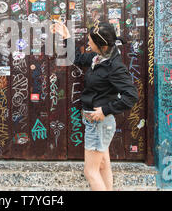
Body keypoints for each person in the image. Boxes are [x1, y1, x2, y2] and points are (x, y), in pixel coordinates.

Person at [51, 20, 138, 191]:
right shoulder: (99, 58)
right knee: (103, 165)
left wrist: (106, 110)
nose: (88, 43)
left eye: (91, 41)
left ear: (102, 46)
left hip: (99, 123)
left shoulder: (114, 66)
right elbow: (74, 58)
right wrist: (68, 36)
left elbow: (131, 96)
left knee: (90, 172)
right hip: (96, 123)